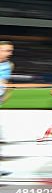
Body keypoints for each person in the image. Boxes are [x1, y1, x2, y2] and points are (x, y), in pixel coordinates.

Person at [0, 41, 13, 176]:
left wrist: (4, 95)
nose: (9, 53)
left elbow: (4, 83)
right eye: (6, 50)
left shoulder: (8, 66)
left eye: (10, 51)